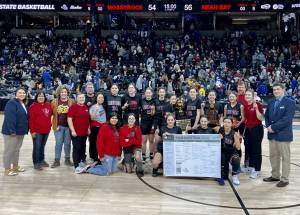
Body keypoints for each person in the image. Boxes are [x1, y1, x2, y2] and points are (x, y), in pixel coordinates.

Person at [264, 83, 296, 187]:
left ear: (283, 90)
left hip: (283, 135)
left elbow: (287, 119)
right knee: (273, 156)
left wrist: (273, 127)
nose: (276, 91)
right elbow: (267, 116)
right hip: (272, 135)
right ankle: (275, 175)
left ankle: (285, 179)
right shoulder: (271, 102)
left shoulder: (290, 102)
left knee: (285, 157)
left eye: (278, 89)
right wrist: (268, 126)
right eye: (274, 90)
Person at [2, 87, 28, 176]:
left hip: (20, 132)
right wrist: (12, 130)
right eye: (20, 92)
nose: (22, 94)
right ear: (16, 94)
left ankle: (15, 167)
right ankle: (7, 169)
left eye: (23, 93)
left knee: (16, 150)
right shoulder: (12, 103)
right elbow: (10, 118)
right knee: (9, 151)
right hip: (12, 132)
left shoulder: (22, 103)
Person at [51, 85, 75, 168]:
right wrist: (54, 125)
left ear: (67, 92)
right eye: (62, 92)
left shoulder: (72, 101)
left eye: (65, 92)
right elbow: (51, 115)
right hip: (59, 127)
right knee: (58, 143)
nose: (63, 93)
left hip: (68, 127)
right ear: (59, 93)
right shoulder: (54, 102)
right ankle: (57, 160)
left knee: (68, 143)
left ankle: (67, 159)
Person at [29, 91, 52, 170]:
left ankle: (42, 160)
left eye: (42, 96)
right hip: (37, 131)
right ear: (36, 97)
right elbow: (31, 120)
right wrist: (32, 131)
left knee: (42, 146)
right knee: (37, 147)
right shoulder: (33, 106)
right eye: (39, 96)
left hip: (46, 130)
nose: (41, 97)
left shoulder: (48, 105)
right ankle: (36, 162)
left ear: (45, 97)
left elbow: (50, 116)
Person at [67, 94, 91, 173]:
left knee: (82, 148)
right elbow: (69, 119)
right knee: (76, 149)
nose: (81, 99)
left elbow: (87, 119)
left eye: (83, 97)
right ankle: (76, 166)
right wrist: (73, 130)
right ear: (77, 99)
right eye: (80, 98)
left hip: (84, 132)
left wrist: (88, 128)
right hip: (76, 132)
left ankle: (81, 162)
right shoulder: (73, 107)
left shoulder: (85, 107)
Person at [244, 89, 264, 179]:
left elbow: (260, 118)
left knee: (256, 150)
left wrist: (256, 109)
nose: (247, 96)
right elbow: (246, 119)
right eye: (246, 95)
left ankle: (257, 170)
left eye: (249, 95)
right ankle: (251, 167)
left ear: (253, 96)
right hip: (248, 129)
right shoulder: (245, 105)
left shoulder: (258, 104)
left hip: (257, 129)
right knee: (249, 148)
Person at [216, 118, 241, 186]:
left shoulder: (234, 133)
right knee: (224, 175)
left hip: (231, 152)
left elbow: (238, 148)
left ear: (231, 124)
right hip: (223, 152)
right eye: (225, 122)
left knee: (236, 158)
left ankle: (234, 175)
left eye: (228, 122)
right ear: (223, 123)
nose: (226, 124)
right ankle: (221, 173)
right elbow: (210, 129)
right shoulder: (219, 130)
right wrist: (217, 137)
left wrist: (237, 139)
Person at [89, 92, 106, 162]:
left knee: (102, 143)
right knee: (94, 143)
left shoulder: (104, 106)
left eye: (102, 97)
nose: (101, 99)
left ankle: (101, 156)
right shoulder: (93, 107)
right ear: (96, 98)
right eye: (99, 97)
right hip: (95, 127)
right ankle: (94, 157)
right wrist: (95, 110)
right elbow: (92, 118)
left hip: (103, 127)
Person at [140, 88, 156, 161]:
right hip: (144, 123)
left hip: (151, 122)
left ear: (151, 94)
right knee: (144, 141)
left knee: (151, 141)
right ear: (145, 94)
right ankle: (143, 156)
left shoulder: (154, 101)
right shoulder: (142, 101)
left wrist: (153, 110)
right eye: (147, 93)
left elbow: (154, 113)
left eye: (149, 93)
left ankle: (151, 155)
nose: (148, 94)